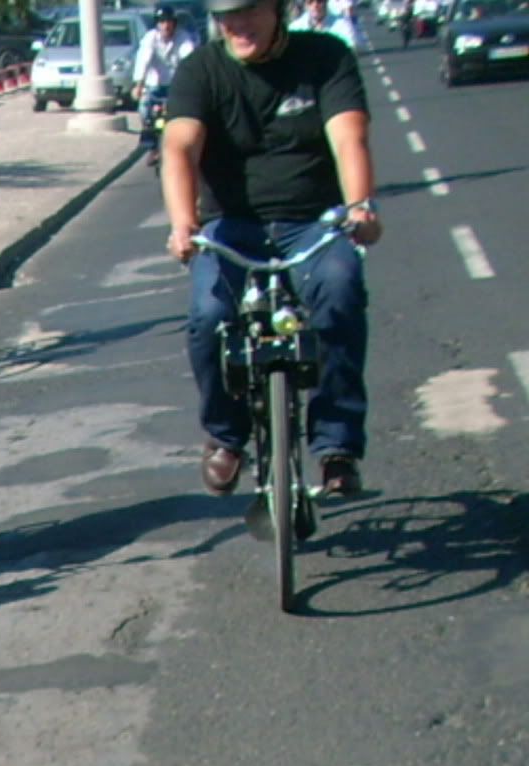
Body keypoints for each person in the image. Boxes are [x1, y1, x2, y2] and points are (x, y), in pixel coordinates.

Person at [161, 0, 382, 498]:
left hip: (314, 221)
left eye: (249, 11)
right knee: (209, 314)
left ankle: (337, 445)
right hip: (231, 225)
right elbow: (180, 146)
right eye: (226, 17)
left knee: (340, 292)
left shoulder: (326, 56)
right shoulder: (202, 69)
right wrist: (183, 223)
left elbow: (349, 137)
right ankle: (226, 436)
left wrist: (360, 207)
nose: (237, 25)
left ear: (278, 10)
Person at [132, 5, 197, 166]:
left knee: (183, 114)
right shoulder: (150, 38)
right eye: (161, 22)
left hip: (176, 85)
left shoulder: (183, 37)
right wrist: (139, 85)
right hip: (154, 84)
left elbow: (189, 59)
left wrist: (193, 82)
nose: (165, 26)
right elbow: (144, 60)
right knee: (145, 110)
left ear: (174, 23)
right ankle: (152, 148)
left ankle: (183, 147)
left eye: (168, 22)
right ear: (157, 24)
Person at [289, 0, 359, 48]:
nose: (315, 5)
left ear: (326, 2)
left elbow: (351, 49)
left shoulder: (342, 25)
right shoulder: (295, 28)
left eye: (319, 1)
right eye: (310, 2)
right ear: (306, 5)